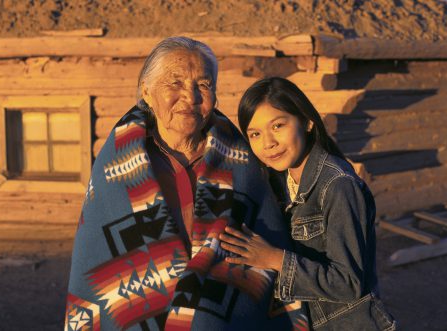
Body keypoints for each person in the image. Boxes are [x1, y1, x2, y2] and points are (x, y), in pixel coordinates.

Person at [65, 38, 308, 330]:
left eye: (203, 85)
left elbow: (267, 247)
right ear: (146, 91)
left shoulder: (244, 164)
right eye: (175, 83)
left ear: (215, 96)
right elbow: (95, 261)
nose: (190, 97)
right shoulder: (116, 171)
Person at [220, 77, 396, 330]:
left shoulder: (337, 186)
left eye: (278, 125)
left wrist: (275, 259)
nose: (268, 142)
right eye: (255, 134)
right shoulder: (278, 182)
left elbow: (347, 282)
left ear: (307, 121)